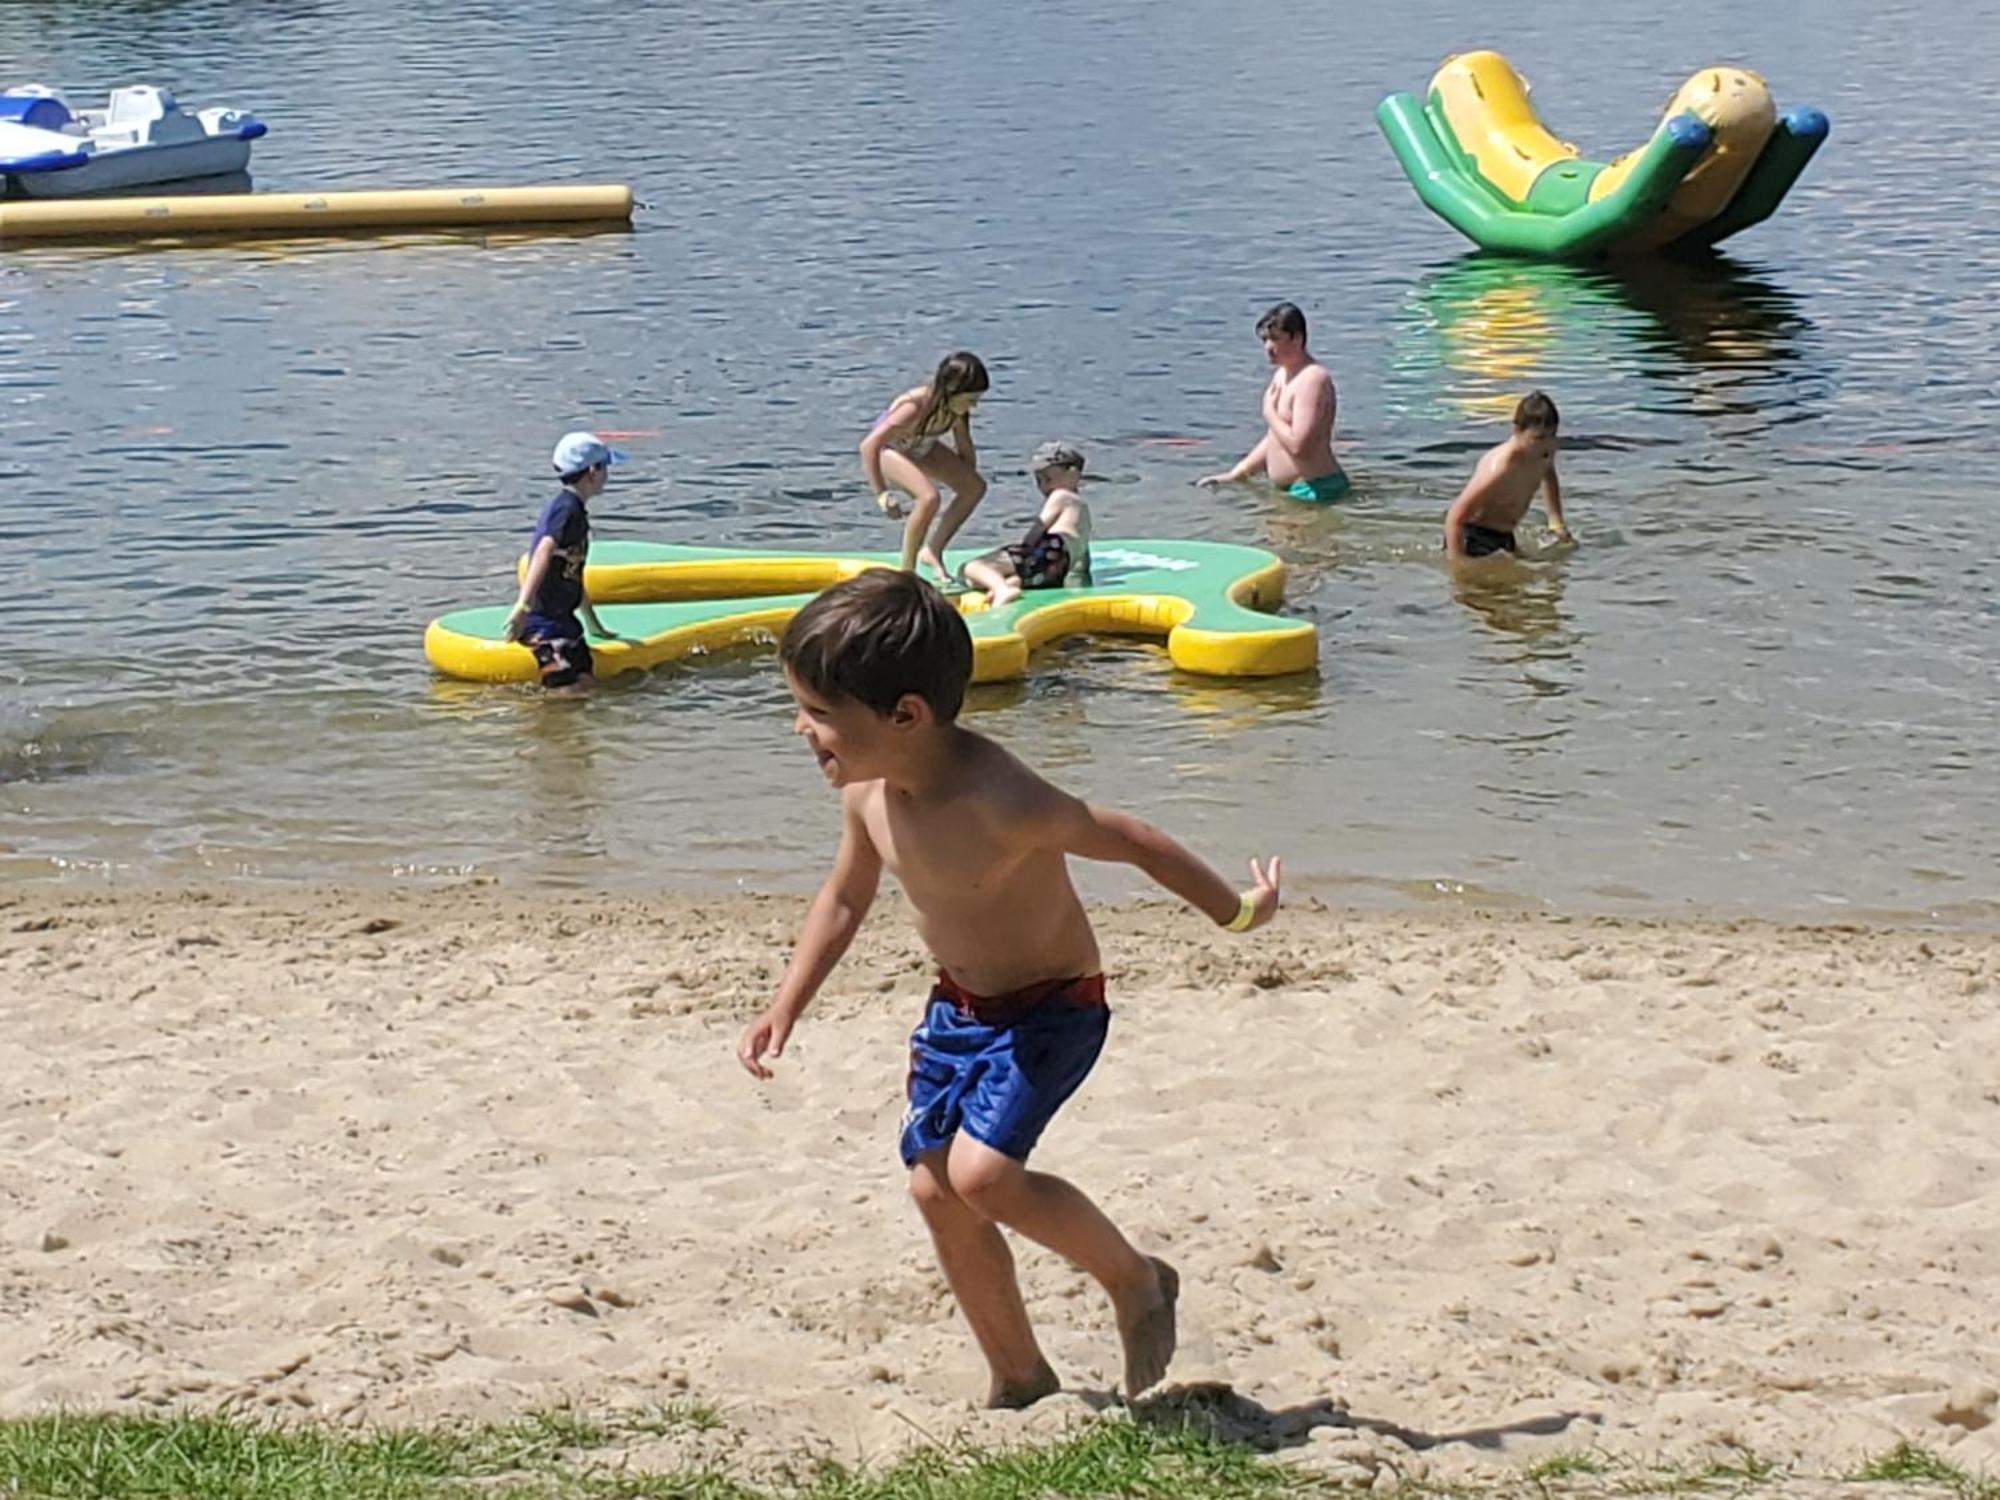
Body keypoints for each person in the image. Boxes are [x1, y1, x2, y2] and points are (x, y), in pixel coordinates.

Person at [737, 570, 1282, 1407]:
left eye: (818, 714)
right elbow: (844, 898)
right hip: (958, 1012)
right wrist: (787, 1004)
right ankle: (1020, 1375)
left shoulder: (1004, 798)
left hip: (1052, 1005)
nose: (801, 730)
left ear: (905, 715)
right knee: (934, 1187)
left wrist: (1236, 912)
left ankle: (1136, 1280)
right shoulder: (869, 798)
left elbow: (1134, 841)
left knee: (984, 1177)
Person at [501, 431, 627, 691]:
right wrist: (522, 608)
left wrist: (595, 625)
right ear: (593, 471)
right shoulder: (566, 511)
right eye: (606, 468)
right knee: (566, 697)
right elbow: (543, 551)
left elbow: (572, 575)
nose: (608, 475)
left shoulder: (575, 511)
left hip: (566, 623)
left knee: (588, 688)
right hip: (545, 625)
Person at [860, 352, 991, 582]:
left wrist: (965, 480)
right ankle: (907, 572)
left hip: (921, 445)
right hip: (888, 450)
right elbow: (869, 444)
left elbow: (965, 447)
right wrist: (882, 494)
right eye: (971, 399)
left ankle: (932, 550)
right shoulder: (915, 406)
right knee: (929, 498)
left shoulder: (957, 412)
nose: (975, 406)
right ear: (951, 390)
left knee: (975, 488)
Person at [1197, 302, 1347, 502]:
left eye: (1275, 339)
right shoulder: (1282, 375)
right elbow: (1275, 437)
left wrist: (1269, 412)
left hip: (1317, 489)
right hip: (1294, 492)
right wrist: (1237, 474)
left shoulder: (1312, 379)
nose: (1268, 347)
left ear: (1297, 338)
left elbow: (1298, 447)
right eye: (1265, 340)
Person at [959, 440, 1094, 608]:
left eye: (1048, 479)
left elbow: (1039, 528)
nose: (1043, 486)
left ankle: (1002, 589)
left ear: (1073, 474)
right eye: (1038, 481)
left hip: (1049, 551)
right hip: (1058, 569)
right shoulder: (1083, 509)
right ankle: (1011, 584)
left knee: (970, 568)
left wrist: (1023, 548)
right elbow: (1082, 556)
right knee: (986, 578)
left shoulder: (1061, 495)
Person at [1442, 391, 1572, 560]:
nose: (1546, 445)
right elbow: (1455, 517)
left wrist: (1556, 520)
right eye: (1538, 438)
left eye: (1552, 436)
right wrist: (1458, 565)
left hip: (1505, 536)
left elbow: (1548, 474)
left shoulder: (1544, 452)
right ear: (1517, 430)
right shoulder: (1500, 465)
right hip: (1473, 536)